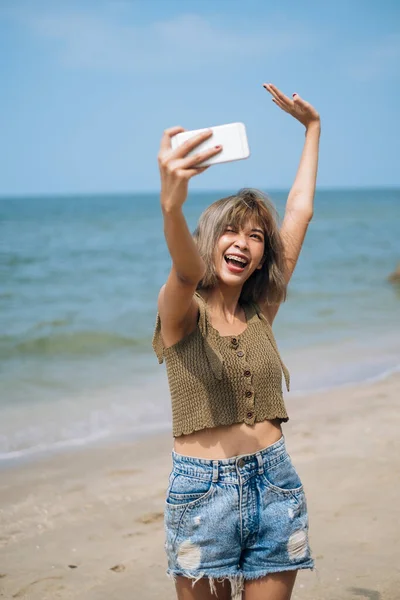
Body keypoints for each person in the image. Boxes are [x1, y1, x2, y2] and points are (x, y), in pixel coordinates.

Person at [152, 83, 320, 600]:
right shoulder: (181, 315)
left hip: (276, 485)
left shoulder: (261, 308)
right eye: (231, 230)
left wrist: (313, 129)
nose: (243, 243)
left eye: (255, 235)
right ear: (210, 238)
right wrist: (170, 205)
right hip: (204, 495)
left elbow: (299, 211)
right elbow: (184, 272)